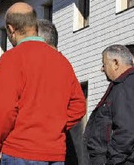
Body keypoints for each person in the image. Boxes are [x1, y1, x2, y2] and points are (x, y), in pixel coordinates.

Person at [0, 2, 86, 164]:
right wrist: (54, 126)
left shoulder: (11, 59)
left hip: (20, 149)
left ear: (11, 29)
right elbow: (78, 105)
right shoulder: (61, 61)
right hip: (54, 151)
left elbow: (4, 109)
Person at [85, 44, 134, 165]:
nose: (102, 69)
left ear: (115, 63)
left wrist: (111, 161)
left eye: (104, 64)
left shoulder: (127, 86)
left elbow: (127, 132)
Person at [37, 19, 88, 165]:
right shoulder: (63, 64)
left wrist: (53, 126)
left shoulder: (53, 66)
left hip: (56, 148)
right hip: (63, 145)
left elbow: (78, 106)